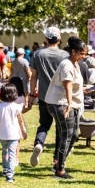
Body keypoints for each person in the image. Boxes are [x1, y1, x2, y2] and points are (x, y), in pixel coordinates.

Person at [43, 36, 86, 179]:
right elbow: (67, 86)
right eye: (82, 53)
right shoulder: (67, 64)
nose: (83, 56)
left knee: (73, 135)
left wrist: (83, 90)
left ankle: (58, 163)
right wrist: (68, 105)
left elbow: (73, 86)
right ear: (73, 51)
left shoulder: (75, 64)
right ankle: (60, 170)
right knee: (66, 135)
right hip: (60, 103)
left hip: (69, 103)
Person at [26, 27, 69, 167]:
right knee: (60, 128)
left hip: (44, 96)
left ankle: (39, 143)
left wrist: (32, 94)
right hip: (60, 98)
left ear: (46, 38)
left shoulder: (37, 54)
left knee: (44, 124)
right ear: (59, 39)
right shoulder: (65, 55)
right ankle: (57, 159)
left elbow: (33, 77)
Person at [0, 83, 27, 183]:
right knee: (12, 154)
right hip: (14, 135)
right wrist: (23, 132)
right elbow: (20, 121)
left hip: (3, 134)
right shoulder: (17, 107)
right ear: (15, 94)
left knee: (4, 152)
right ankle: (10, 174)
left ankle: (5, 169)